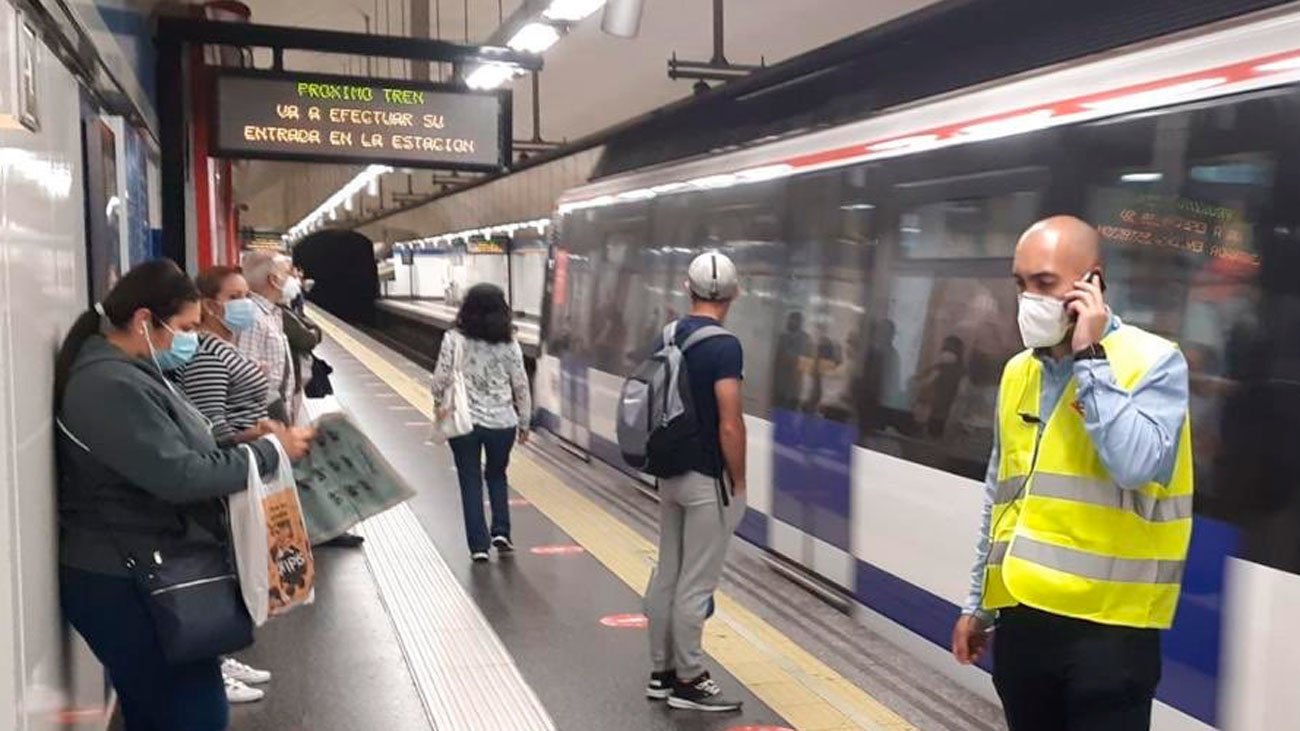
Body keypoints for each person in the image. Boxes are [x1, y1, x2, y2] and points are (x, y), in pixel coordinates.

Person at [951, 216, 1192, 731]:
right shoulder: (1019, 371)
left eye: (1043, 284)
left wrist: (1090, 357)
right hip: (1024, 626)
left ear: (1092, 284)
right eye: (1020, 285)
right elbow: (1001, 499)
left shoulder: (1155, 363)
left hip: (1110, 637)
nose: (1027, 300)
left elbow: (1136, 465)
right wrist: (979, 606)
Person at [54, 259, 313, 731]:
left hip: (143, 572)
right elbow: (179, 476)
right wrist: (271, 452)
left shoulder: (127, 371)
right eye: (186, 327)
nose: (193, 339)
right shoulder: (107, 385)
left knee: (173, 711)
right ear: (143, 321)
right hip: (127, 581)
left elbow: (171, 451)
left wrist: (244, 440)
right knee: (189, 715)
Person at [643, 251, 747, 713]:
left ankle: (661, 673)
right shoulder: (726, 347)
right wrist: (739, 481)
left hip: (669, 474)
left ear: (689, 290)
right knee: (696, 582)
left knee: (668, 571)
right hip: (707, 479)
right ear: (734, 293)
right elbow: (730, 423)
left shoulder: (668, 334)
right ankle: (690, 678)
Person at [431, 283, 532, 562]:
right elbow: (520, 385)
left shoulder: (453, 339)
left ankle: (478, 546)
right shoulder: (510, 343)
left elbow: (439, 381)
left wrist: (439, 404)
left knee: (470, 480)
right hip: (502, 423)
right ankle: (502, 531)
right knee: (497, 475)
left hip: (464, 423)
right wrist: (524, 422)